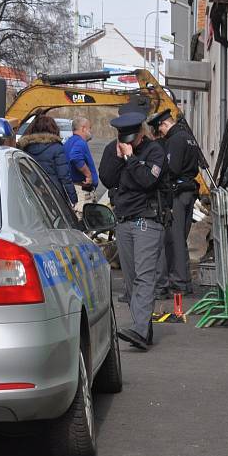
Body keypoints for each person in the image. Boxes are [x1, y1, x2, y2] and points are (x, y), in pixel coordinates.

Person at [99, 111, 167, 351]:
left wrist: (131, 160)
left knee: (144, 276)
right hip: (124, 221)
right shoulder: (114, 149)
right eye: (123, 139)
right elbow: (107, 179)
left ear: (140, 133)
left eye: (131, 139)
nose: (127, 143)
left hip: (146, 221)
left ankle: (138, 329)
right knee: (131, 281)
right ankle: (143, 328)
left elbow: (148, 181)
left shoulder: (154, 151)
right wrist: (118, 158)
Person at [149, 110, 201, 296]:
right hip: (189, 191)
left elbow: (172, 168)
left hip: (178, 193)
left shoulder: (175, 140)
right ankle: (183, 280)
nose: (160, 134)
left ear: (164, 124)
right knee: (181, 239)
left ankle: (179, 283)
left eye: (160, 129)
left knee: (174, 238)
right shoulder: (188, 137)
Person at [18, 114, 78, 205]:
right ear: (54, 129)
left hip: (33, 192)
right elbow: (64, 177)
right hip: (55, 195)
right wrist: (73, 199)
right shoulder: (57, 148)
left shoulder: (25, 148)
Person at [64, 117, 98, 217]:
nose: (90, 131)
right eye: (89, 128)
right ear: (83, 128)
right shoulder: (80, 142)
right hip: (82, 193)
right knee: (84, 227)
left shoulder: (68, 142)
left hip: (75, 190)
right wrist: (88, 175)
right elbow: (75, 156)